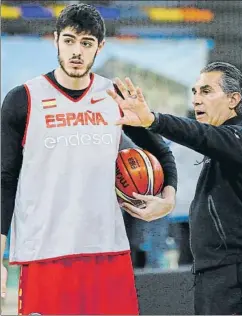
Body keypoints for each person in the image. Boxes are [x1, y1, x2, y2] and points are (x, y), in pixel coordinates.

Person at [1, 4, 178, 315]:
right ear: (55, 40)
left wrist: (168, 199)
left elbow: (162, 152)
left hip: (108, 249)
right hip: (45, 253)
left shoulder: (116, 97)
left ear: (100, 47)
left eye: (86, 43)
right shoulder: (23, 99)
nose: (76, 51)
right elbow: (5, 178)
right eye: (69, 40)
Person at [107, 62, 242, 315]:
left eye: (206, 91)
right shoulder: (224, 148)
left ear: (233, 99)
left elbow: (200, 135)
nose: (197, 99)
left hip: (237, 272)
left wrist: (153, 120)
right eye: (194, 92)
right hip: (220, 271)